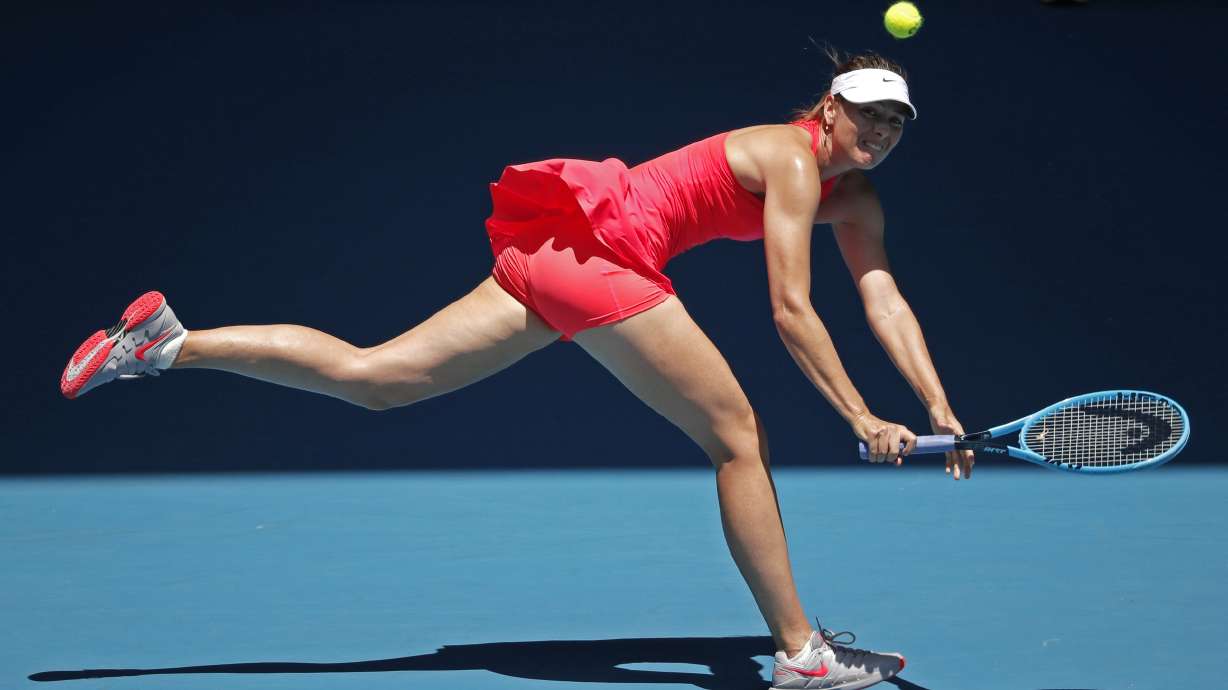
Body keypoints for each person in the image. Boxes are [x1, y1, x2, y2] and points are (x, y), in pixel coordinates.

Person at [60, 48, 974, 690]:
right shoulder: (793, 158)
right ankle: (801, 654)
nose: (883, 132)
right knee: (739, 438)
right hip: (605, 253)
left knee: (380, 379)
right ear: (829, 107)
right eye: (869, 115)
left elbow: (883, 299)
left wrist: (936, 407)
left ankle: (166, 344)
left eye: (897, 123)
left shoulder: (860, 203)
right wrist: (859, 415)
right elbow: (790, 307)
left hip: (561, 251)